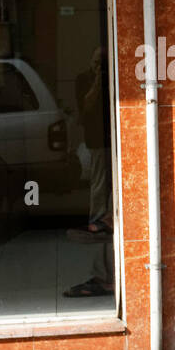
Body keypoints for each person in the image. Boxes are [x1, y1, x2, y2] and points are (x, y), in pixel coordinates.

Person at [64, 46, 113, 299]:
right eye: (97, 62)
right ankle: (103, 271)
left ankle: (108, 274)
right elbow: (85, 111)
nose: (101, 66)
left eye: (103, 63)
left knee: (114, 209)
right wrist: (97, 79)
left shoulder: (116, 75)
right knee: (99, 201)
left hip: (117, 144)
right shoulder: (85, 79)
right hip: (98, 145)